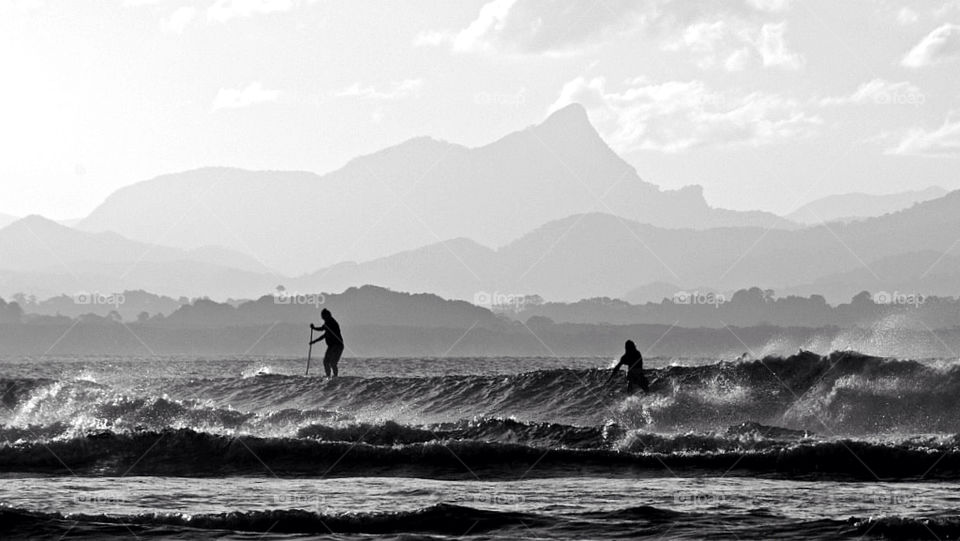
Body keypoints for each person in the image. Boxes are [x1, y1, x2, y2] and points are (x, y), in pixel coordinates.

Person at [310, 308, 344, 377]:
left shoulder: (331, 322)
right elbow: (325, 335)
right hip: (331, 346)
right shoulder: (327, 323)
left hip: (337, 346)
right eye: (322, 317)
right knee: (326, 362)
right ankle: (328, 376)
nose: (322, 318)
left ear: (327, 315)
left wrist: (314, 328)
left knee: (332, 363)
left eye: (323, 316)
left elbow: (322, 329)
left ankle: (335, 377)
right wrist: (314, 341)